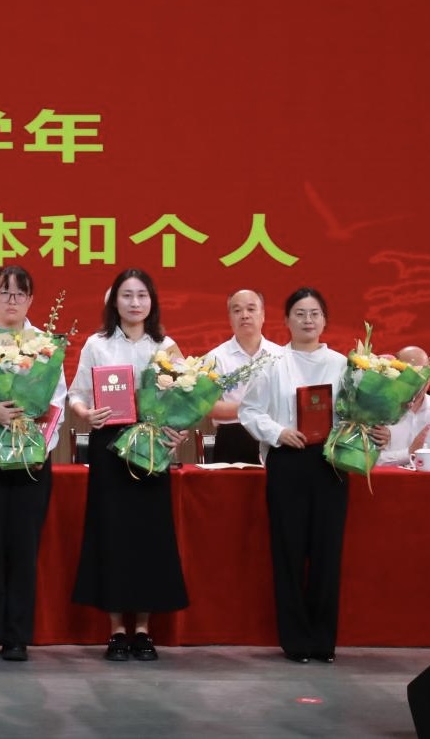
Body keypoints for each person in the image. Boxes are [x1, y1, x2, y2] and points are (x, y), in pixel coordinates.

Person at [69, 268, 189, 663]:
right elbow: (75, 395)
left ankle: (143, 631)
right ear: (114, 302)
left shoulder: (166, 346)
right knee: (112, 536)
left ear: (152, 301)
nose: (135, 302)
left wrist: (179, 431)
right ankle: (117, 630)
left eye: (142, 295)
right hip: (109, 446)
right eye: (127, 295)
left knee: (149, 538)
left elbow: (185, 399)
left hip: (151, 449)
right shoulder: (97, 344)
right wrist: (87, 413)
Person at [0, 265, 67, 663]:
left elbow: (57, 404)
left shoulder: (46, 346)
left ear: (31, 299)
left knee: (24, 547)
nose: (11, 300)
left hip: (31, 461)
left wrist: (40, 446)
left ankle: (18, 636)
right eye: (4, 292)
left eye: (20, 293)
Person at [239, 287, 347, 664]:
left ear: (325, 320)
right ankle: (296, 640)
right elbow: (250, 411)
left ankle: (323, 640)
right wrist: (278, 432)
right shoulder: (271, 363)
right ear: (285, 320)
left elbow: (355, 415)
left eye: (314, 313)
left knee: (327, 553)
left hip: (331, 463)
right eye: (299, 314)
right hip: (288, 460)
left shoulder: (343, 365)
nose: (307, 320)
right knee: (289, 551)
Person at [204, 289, 283, 463]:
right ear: (230, 318)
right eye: (237, 310)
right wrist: (253, 408)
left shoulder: (281, 355)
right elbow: (209, 407)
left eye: (251, 309)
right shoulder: (215, 358)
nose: (244, 315)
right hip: (233, 438)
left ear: (263, 315)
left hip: (275, 436)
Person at [371, 346, 430, 466]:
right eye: (410, 374)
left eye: (424, 374)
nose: (418, 381)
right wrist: (408, 453)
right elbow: (367, 461)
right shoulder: (375, 410)